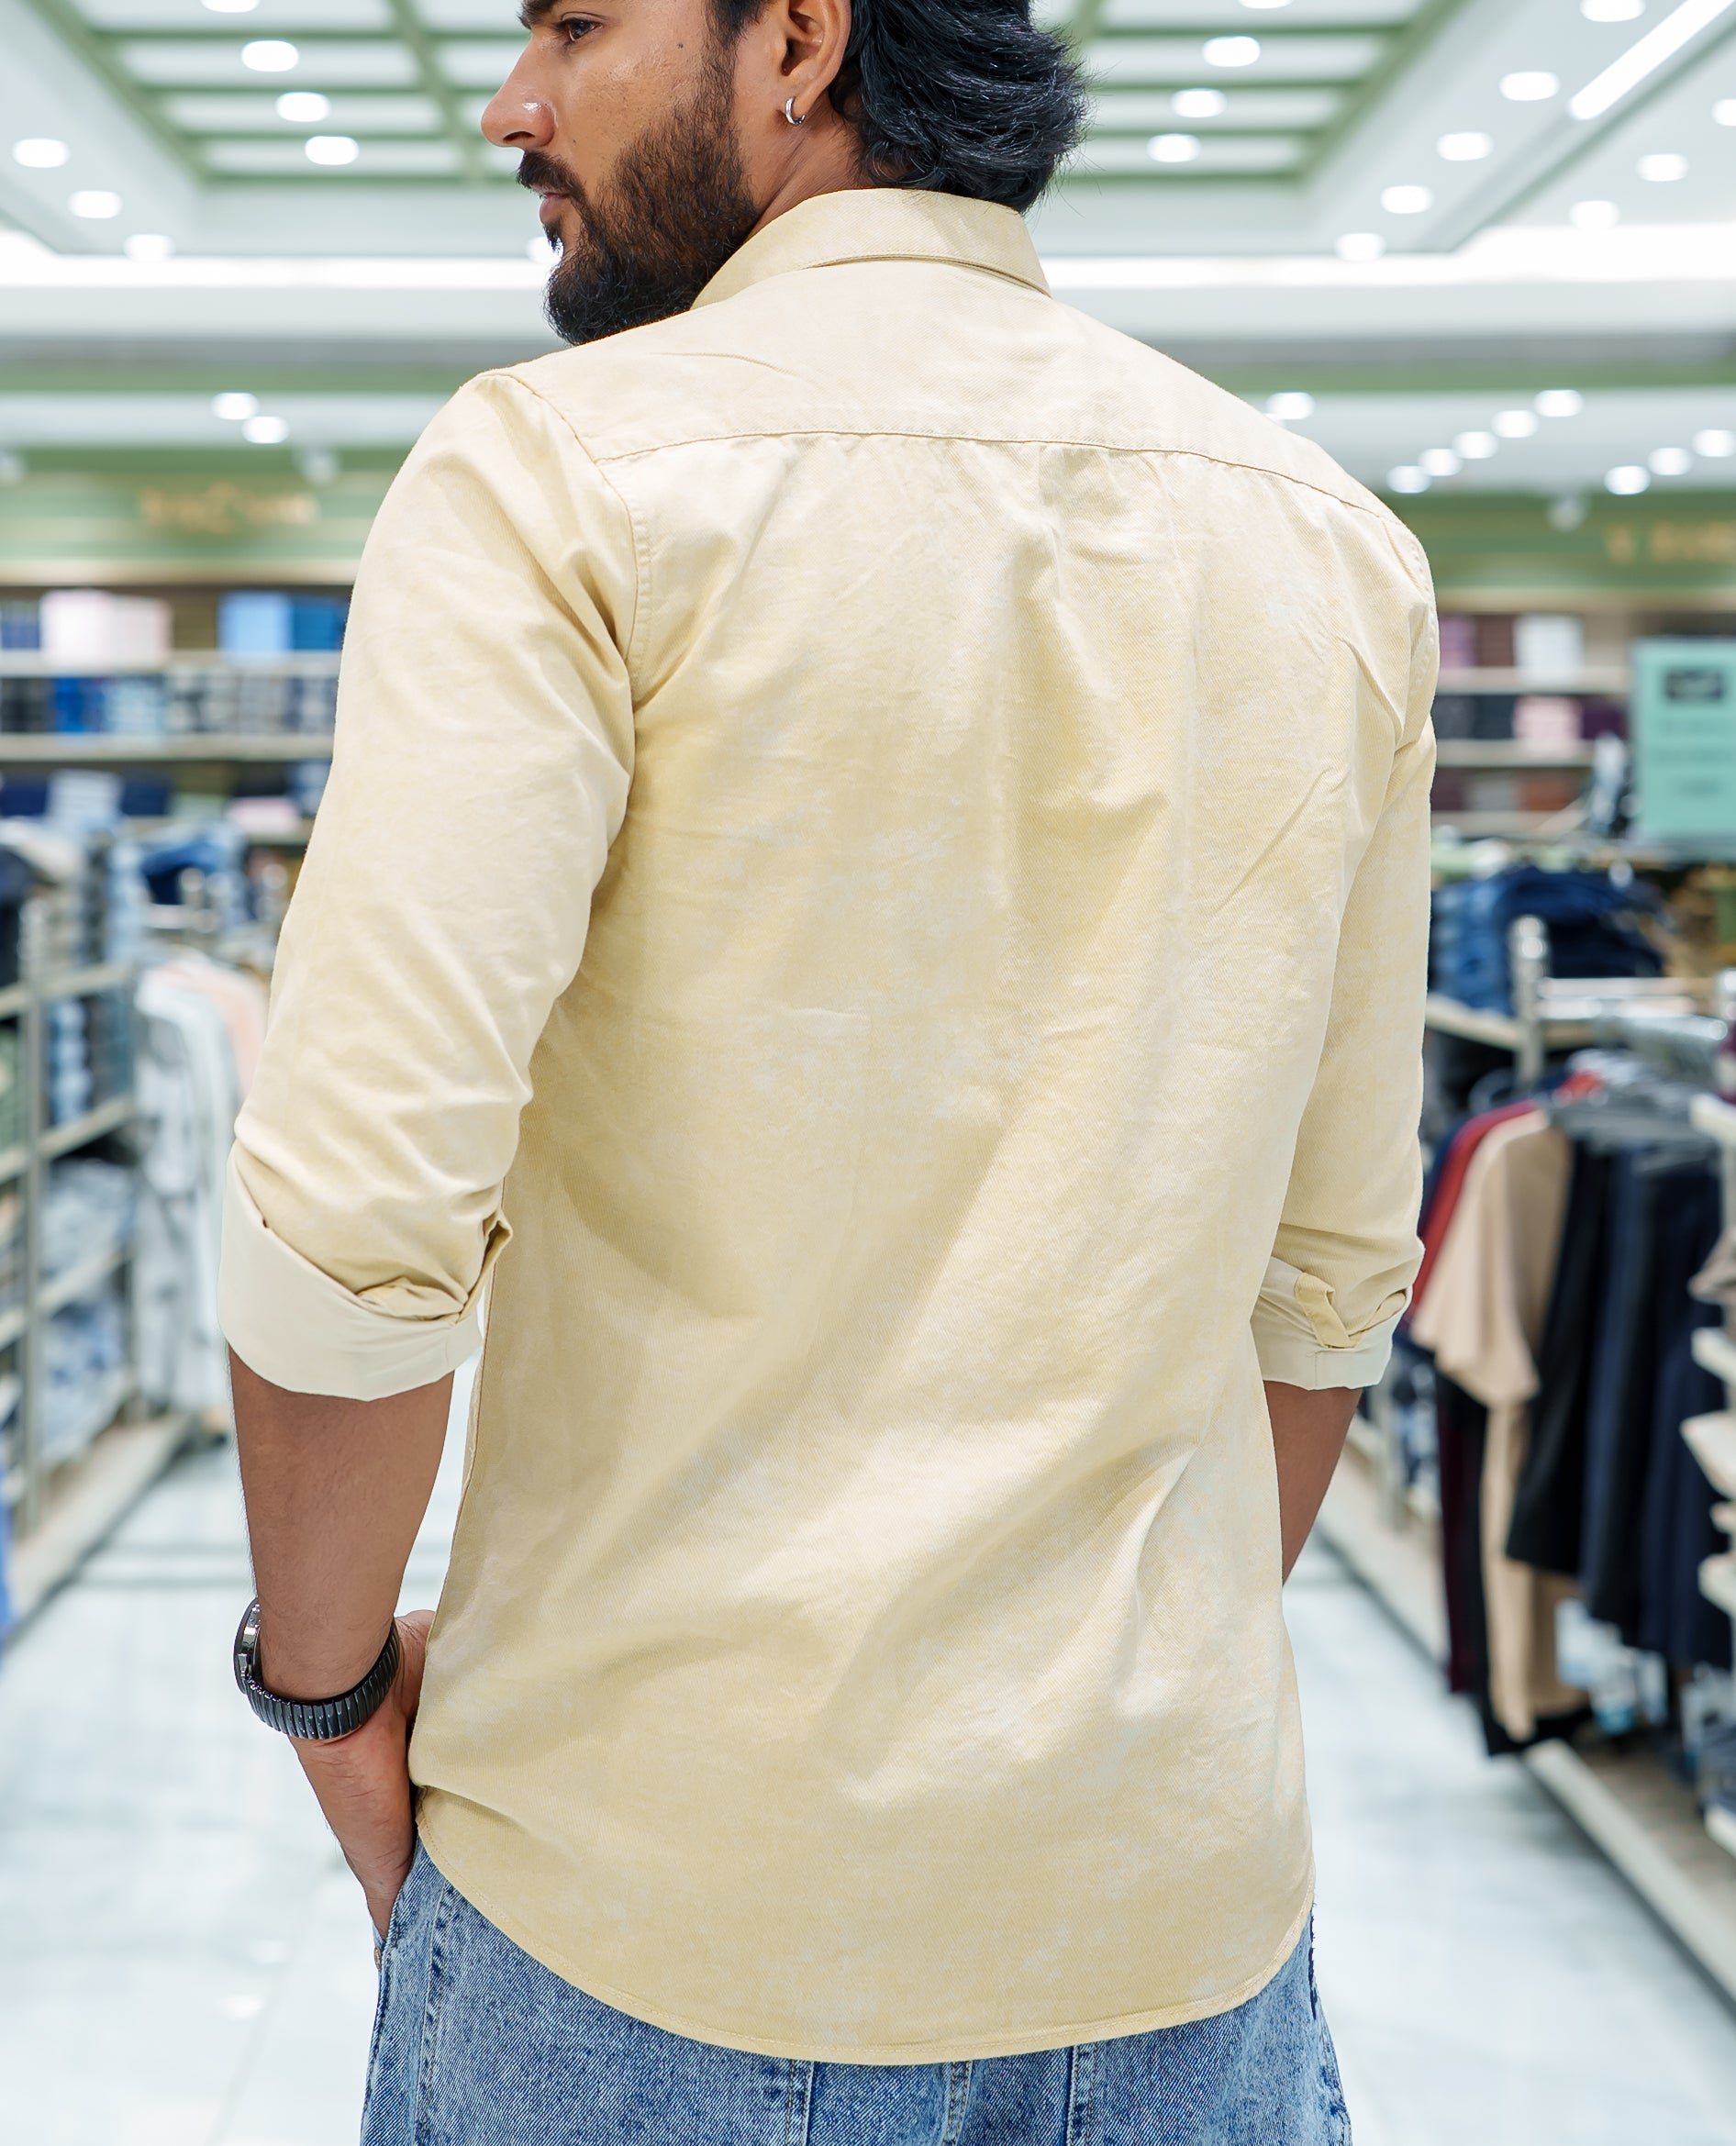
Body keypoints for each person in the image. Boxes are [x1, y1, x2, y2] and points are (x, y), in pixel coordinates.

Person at [218, 0, 1436, 2138]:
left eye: (575, 23)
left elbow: (351, 1230)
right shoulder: (1328, 542)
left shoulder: (560, 471)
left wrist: (323, 1695)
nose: (511, 103)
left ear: (796, 38)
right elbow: (1326, 1278)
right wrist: (1093, 1735)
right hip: (1175, 1920)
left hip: (648, 1916)